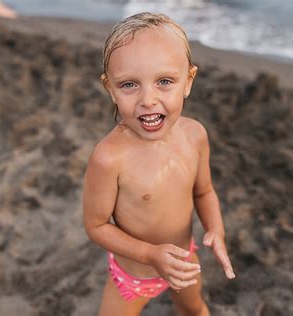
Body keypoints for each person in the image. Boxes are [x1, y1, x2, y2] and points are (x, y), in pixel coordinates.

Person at [83, 12, 235, 316]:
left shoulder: (195, 136)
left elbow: (204, 192)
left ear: (188, 81)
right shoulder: (108, 157)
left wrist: (215, 229)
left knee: (194, 309)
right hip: (134, 275)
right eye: (129, 85)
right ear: (110, 88)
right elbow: (96, 225)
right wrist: (150, 254)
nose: (148, 99)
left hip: (183, 260)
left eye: (164, 81)